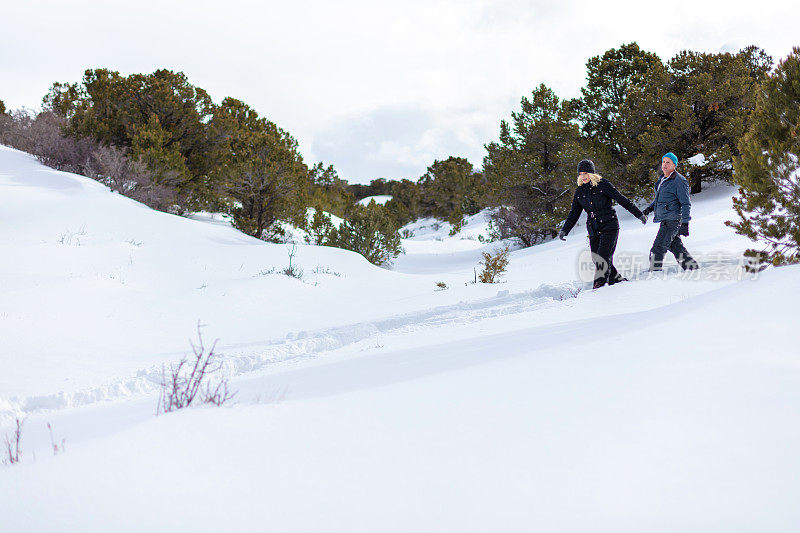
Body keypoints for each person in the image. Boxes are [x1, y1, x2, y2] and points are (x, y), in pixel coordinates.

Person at [559, 159, 647, 289]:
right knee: (597, 258)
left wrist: (639, 214)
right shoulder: (580, 192)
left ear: (592, 173)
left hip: (609, 225)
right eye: (580, 174)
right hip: (594, 228)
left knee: (602, 257)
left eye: (585, 173)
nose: (583, 176)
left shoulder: (603, 185)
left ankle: (599, 287)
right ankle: (617, 281)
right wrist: (564, 230)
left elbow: (622, 199)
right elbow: (574, 214)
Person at [642, 152, 698, 271]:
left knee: (657, 249)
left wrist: (685, 223)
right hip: (666, 219)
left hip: (672, 221)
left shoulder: (679, 181)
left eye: (668, 162)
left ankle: (654, 274)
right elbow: (660, 199)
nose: (665, 165)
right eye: (663, 162)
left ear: (674, 165)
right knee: (676, 247)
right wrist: (649, 209)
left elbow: (686, 203)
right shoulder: (662, 179)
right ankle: (692, 268)